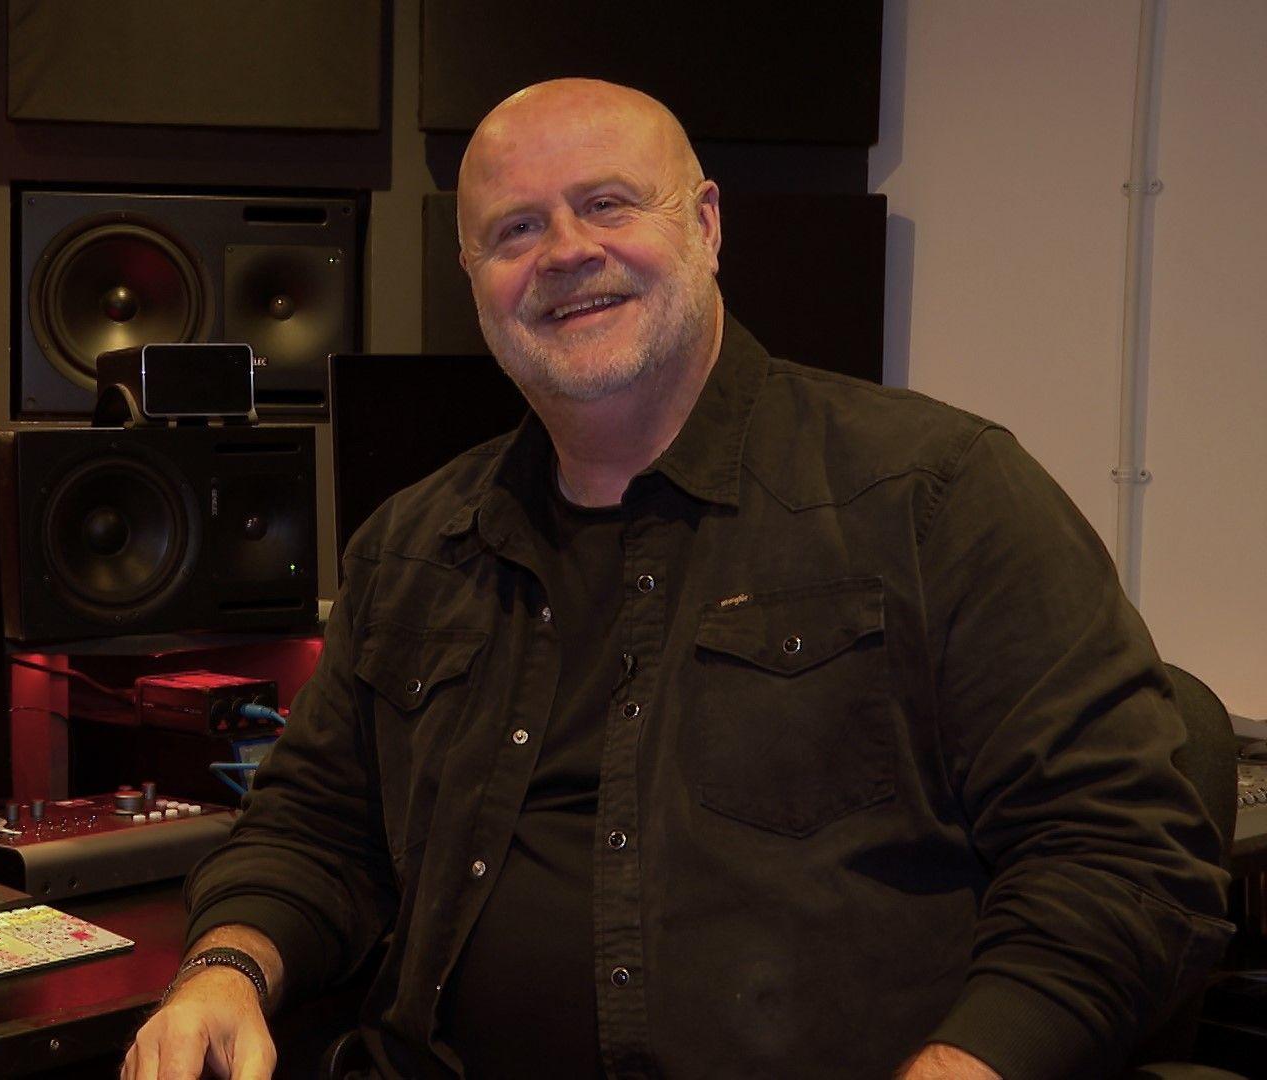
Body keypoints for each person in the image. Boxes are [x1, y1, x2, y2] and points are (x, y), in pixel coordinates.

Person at [123, 79, 1232, 1079]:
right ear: (475, 282)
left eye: (608, 204)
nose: (564, 250)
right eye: (516, 228)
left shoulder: (934, 496)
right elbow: (313, 828)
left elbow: (1121, 856)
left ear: (703, 225)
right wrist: (225, 969)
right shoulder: (415, 546)